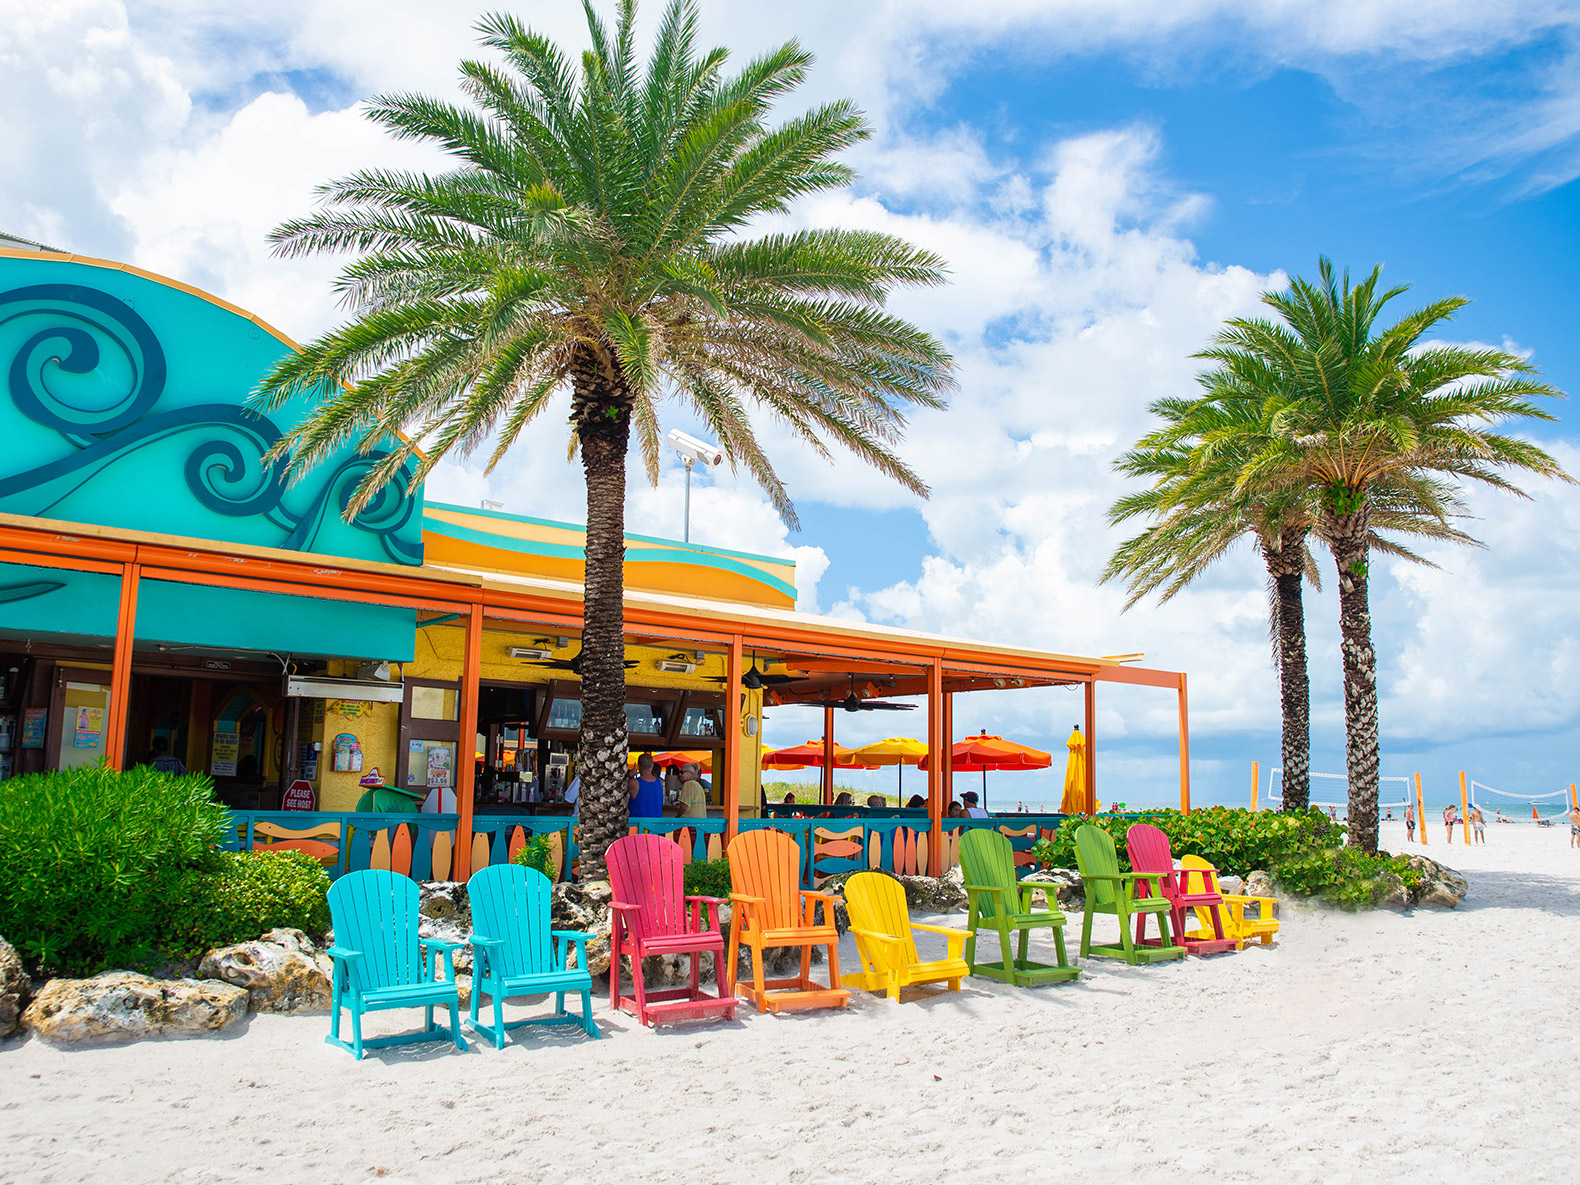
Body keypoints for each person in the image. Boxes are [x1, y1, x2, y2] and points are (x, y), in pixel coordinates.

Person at [628, 753, 664, 819]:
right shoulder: (660, 782)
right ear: (652, 765)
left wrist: (629, 775)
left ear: (638, 765)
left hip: (638, 825)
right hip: (655, 825)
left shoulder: (634, 783)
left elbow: (621, 791)